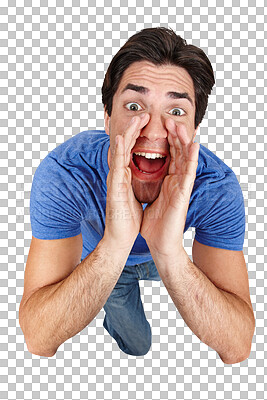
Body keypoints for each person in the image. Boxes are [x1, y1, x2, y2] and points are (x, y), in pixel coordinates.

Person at [19, 27, 255, 363]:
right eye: (134, 105)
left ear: (194, 130)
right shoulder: (65, 173)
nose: (154, 130)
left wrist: (169, 252)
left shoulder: (215, 186)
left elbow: (237, 347)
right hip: (105, 259)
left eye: (176, 112)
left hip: (164, 252)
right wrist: (115, 244)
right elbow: (38, 339)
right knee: (138, 344)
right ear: (108, 116)